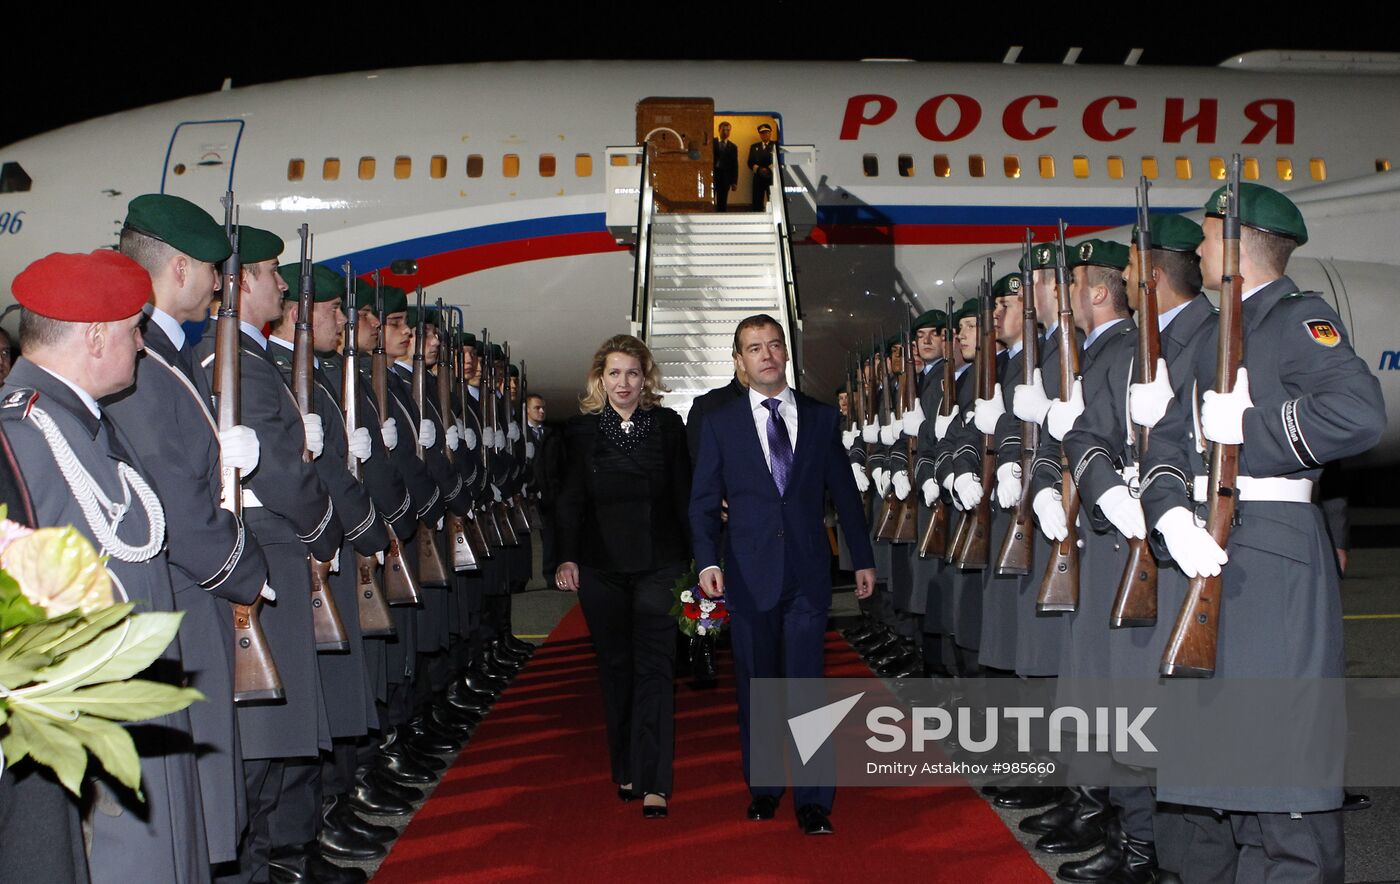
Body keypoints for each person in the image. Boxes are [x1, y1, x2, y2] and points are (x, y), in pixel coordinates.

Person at [1139, 183, 1385, 882]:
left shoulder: (1296, 319)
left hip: (1272, 563)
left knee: (1284, 792)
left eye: (1209, 235)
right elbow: (1162, 449)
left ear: (1237, 245)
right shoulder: (1212, 333)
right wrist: (1168, 515)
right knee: (1228, 790)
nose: (1199, 247)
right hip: (1206, 555)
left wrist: (1246, 430)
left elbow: (1358, 413)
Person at [1, 250, 207, 883]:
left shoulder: (82, 425)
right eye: (129, 330)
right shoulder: (22, 435)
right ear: (93, 337)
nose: (141, 345)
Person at [104, 192, 271, 878]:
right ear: (177, 268)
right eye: (210, 270)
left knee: (209, 792)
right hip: (180, 597)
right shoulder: (142, 361)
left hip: (190, 593)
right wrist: (247, 572)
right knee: (194, 796)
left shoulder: (164, 354)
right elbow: (177, 501)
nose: (216, 285)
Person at [689, 313, 876, 835]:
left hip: (808, 574)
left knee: (807, 687)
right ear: (740, 361)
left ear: (786, 354)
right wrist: (706, 560)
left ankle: (815, 799)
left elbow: (844, 493)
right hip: (747, 574)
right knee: (758, 685)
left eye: (774, 345)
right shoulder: (721, 421)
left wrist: (860, 558)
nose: (767, 354)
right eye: (754, 348)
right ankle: (766, 787)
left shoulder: (819, 418)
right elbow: (703, 500)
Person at [554, 334, 692, 819]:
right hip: (600, 568)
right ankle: (628, 767)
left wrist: (701, 562)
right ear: (600, 379)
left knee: (656, 669)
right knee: (616, 670)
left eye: (632, 373)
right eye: (614, 373)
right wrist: (565, 557)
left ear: (646, 377)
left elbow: (683, 495)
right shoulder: (579, 431)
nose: (624, 382)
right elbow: (568, 501)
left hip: (661, 565)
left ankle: (655, 781)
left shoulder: (669, 426)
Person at [747, 123, 776, 211]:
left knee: (772, 199)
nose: (764, 135)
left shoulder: (775, 145)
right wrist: (760, 169)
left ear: (770, 133)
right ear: (760, 134)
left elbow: (778, 160)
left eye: (766, 132)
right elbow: (750, 162)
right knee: (757, 200)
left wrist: (768, 169)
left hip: (771, 177)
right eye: (762, 133)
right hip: (758, 177)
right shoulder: (754, 147)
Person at [713, 121, 739, 212]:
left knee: (722, 202)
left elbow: (735, 165)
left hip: (725, 178)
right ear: (719, 130)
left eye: (728, 130)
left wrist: (734, 182)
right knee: (709, 200)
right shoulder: (712, 143)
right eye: (723, 130)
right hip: (712, 176)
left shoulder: (733, 147)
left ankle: (721, 219)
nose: (725, 132)